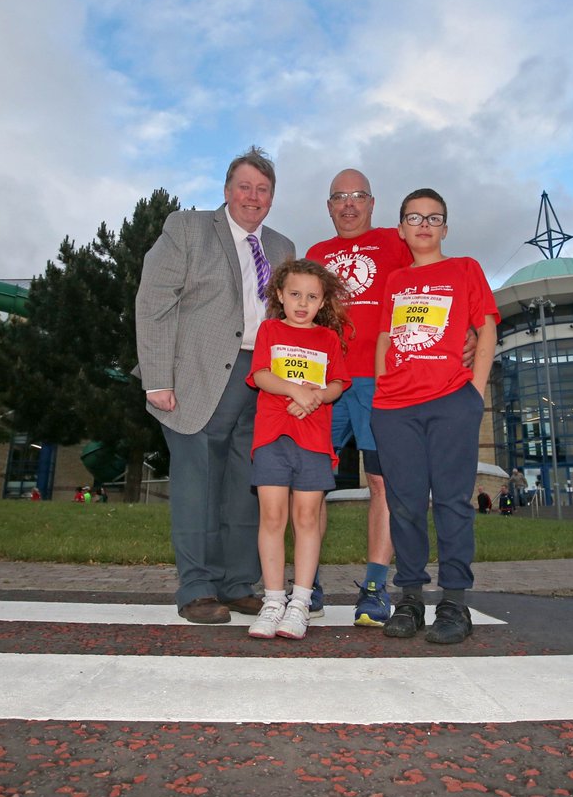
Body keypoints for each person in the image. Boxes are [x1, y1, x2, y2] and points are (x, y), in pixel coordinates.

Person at [136, 147, 295, 624]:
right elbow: (154, 302)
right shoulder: (186, 229)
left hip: (263, 380)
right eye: (244, 187)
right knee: (197, 487)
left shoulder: (284, 247)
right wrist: (158, 379)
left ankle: (236, 582)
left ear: (272, 198)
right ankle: (198, 588)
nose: (253, 197)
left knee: (249, 486)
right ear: (227, 191)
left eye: (263, 190)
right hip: (196, 380)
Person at [372, 188, 499, 645]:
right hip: (394, 408)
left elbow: (486, 329)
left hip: (451, 402)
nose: (424, 225)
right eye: (414, 217)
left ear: (445, 228)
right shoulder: (396, 280)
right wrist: (383, 387)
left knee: (451, 502)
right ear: (402, 228)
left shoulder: (465, 269)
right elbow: (387, 338)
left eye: (433, 217)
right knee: (403, 504)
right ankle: (409, 598)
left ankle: (455, 602)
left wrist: (474, 392)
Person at [305, 168, 412, 627]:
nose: (348, 204)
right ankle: (306, 584)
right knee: (308, 483)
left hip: (378, 379)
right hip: (322, 383)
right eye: (339, 197)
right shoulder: (316, 255)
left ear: (372, 202)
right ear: (328, 207)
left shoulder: (395, 242)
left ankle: (374, 587)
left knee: (382, 483)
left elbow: (431, 287)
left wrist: (466, 333)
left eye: (358, 196)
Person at [246, 260, 351, 640]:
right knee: (272, 518)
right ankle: (273, 601)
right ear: (279, 295)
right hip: (273, 437)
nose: (302, 303)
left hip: (314, 441)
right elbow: (260, 375)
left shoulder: (328, 340)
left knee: (307, 520)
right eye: (294, 295)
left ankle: (301, 603)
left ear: (322, 301)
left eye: (311, 296)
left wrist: (316, 397)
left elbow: (338, 384)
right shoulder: (270, 330)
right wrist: (296, 390)